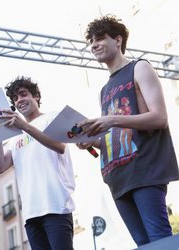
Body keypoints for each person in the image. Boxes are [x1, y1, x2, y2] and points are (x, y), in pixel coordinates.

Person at [76, 15, 179, 247]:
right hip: (118, 178)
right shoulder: (104, 90)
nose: (94, 45)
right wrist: (92, 141)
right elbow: (116, 135)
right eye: (91, 41)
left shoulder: (139, 68)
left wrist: (111, 120)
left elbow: (160, 118)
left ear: (118, 40)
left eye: (100, 38)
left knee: (160, 240)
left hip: (145, 170)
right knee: (143, 244)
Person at [0, 76, 75, 250]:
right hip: (31, 214)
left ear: (36, 96)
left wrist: (24, 126)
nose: (19, 100)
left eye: (23, 94)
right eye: (15, 99)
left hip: (56, 206)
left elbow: (59, 146)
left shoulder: (51, 117)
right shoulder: (16, 137)